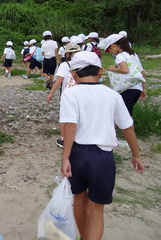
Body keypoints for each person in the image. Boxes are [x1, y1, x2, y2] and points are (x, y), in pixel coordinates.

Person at [60, 51, 144, 240]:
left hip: (78, 154)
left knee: (79, 199)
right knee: (97, 208)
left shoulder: (70, 94)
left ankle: (83, 237)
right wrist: (136, 154)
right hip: (103, 157)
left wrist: (65, 158)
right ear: (100, 71)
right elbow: (128, 128)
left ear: (73, 74)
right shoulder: (113, 95)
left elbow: (70, 127)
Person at [47, 43, 82, 148]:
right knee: (79, 116)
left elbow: (59, 81)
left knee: (65, 117)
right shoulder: (85, 64)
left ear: (67, 54)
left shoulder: (65, 65)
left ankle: (63, 139)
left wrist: (51, 92)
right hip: (81, 95)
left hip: (67, 95)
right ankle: (78, 138)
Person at [105, 34, 146, 116]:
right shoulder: (132, 54)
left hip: (127, 88)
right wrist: (143, 88)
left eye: (109, 49)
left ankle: (120, 128)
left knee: (123, 115)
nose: (110, 52)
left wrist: (112, 68)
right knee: (126, 114)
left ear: (113, 46)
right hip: (137, 87)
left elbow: (125, 69)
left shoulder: (120, 56)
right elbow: (141, 72)